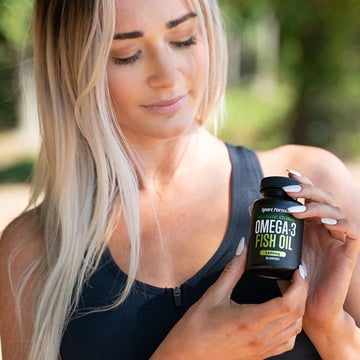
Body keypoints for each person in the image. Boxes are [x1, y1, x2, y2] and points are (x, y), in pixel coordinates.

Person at [1, 0, 360, 359]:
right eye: (127, 54)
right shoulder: (29, 252)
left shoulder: (314, 189)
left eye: (184, 39)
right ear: (70, 66)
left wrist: (330, 327)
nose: (167, 76)